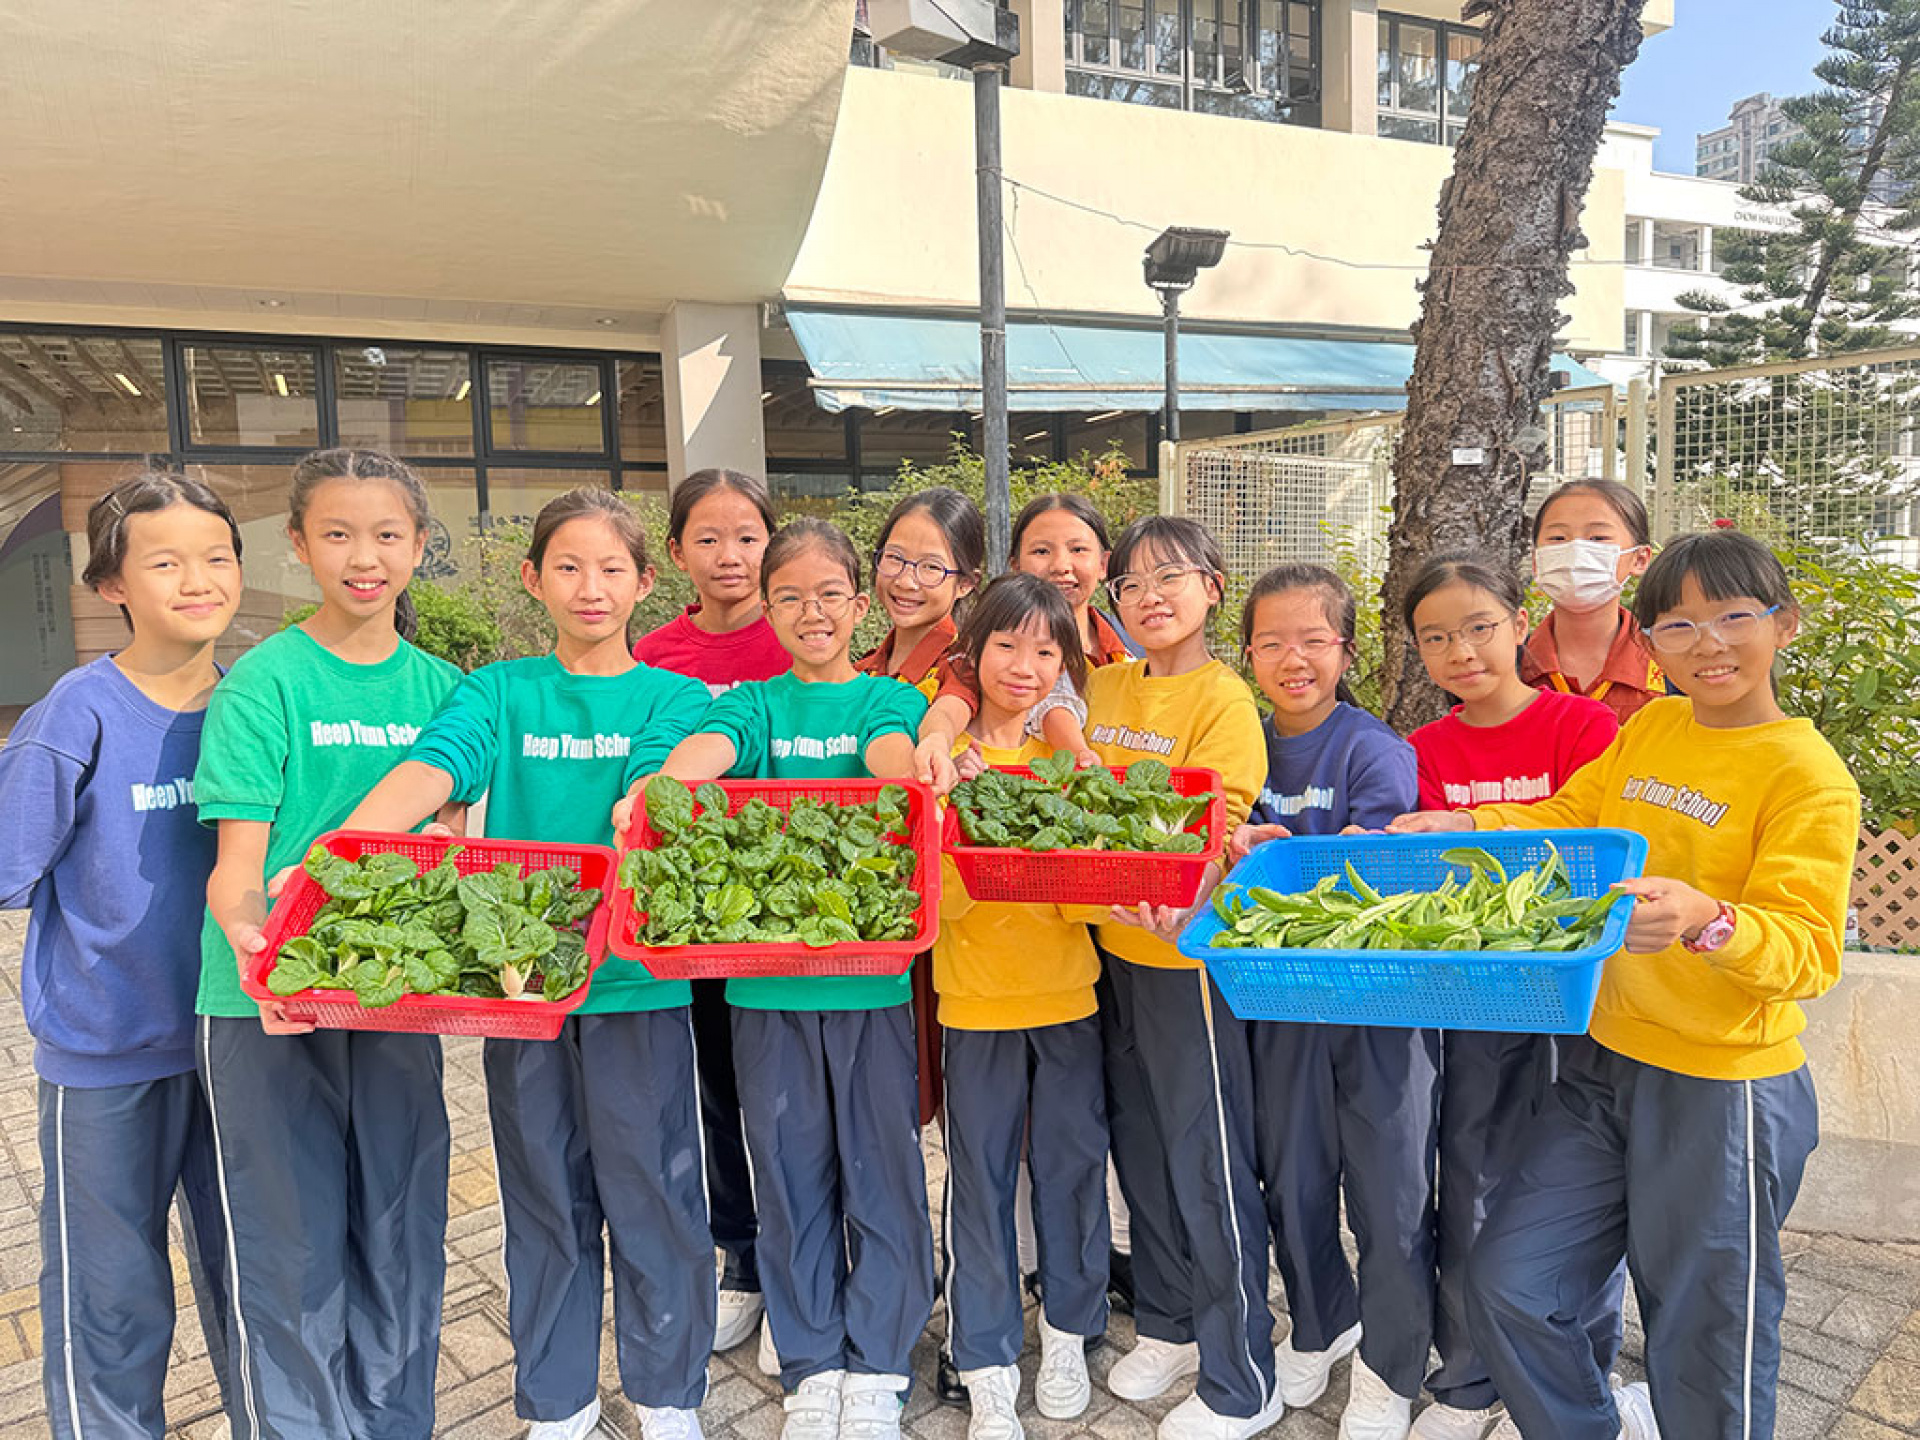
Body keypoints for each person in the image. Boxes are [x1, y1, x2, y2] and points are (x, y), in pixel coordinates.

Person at [1396, 529, 1858, 1440]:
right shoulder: (1652, 729)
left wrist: (1708, 919)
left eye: (1734, 617)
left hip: (1722, 1090)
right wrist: (1465, 824)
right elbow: (1576, 816)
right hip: (1604, 1064)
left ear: (1784, 624)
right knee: (1512, 1285)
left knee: (1705, 1339)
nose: (1707, 644)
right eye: (1677, 626)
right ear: (1649, 643)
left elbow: (1808, 952)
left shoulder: (1807, 776)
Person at [339, 488, 714, 1440]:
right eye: (568, 567)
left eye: (612, 568)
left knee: (655, 1195)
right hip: (523, 995)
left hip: (634, 986)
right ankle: (560, 1403)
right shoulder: (499, 691)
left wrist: (643, 799)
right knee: (544, 1197)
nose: (591, 587)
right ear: (532, 578)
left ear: (645, 582)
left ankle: (669, 1396)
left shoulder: (670, 696)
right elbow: (438, 764)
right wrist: (343, 851)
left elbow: (659, 772)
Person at [616, 519, 935, 1440]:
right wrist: (659, 791)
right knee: (789, 1182)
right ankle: (810, 1363)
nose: (811, 613)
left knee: (881, 1178)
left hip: (870, 986)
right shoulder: (754, 706)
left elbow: (891, 759)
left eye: (829, 595)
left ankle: (880, 1364)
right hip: (764, 991)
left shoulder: (884, 700)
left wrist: (905, 778)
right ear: (768, 607)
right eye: (789, 597)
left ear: (858, 604)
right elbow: (704, 755)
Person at [197, 449, 462, 1439]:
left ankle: (396, 1424)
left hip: (399, 998)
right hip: (266, 1000)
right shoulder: (263, 683)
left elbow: (455, 852)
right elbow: (237, 864)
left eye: (387, 535)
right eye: (339, 535)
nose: (365, 557)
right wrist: (253, 948)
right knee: (288, 1248)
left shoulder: (447, 689)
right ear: (299, 546)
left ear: (420, 546)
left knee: (401, 1231)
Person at [0, 473, 238, 1439]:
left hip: (242, 1044)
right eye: (165, 562)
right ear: (112, 585)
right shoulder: (76, 713)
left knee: (255, 1281)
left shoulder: (256, 702)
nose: (198, 579)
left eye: (217, 557)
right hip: (107, 1053)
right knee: (110, 1296)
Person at [1398, 553, 1621, 1440]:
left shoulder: (1585, 726)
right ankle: (1467, 1380)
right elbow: (1422, 879)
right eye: (1436, 638)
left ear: (1521, 622)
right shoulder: (1423, 750)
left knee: (1578, 1198)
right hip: (1474, 1006)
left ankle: (1581, 1376)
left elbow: (1600, 844)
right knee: (1472, 1188)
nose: (1461, 651)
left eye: (1479, 627)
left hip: (1575, 1000)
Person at [1227, 565, 1436, 1440]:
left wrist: (1303, 864)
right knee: (1294, 1179)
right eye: (1272, 642)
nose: (1293, 659)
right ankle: (1321, 1323)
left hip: (1378, 1008)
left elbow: (1381, 876)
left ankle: (1391, 1367)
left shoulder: (1372, 749)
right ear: (1248, 655)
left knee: (1390, 1195)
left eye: (1314, 641)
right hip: (1280, 1005)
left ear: (1347, 653)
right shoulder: (1243, 747)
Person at [1086, 516, 1279, 1440]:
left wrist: (1180, 884)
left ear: (1212, 586)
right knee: (1142, 1148)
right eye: (1130, 583)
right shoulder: (1105, 684)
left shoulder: (1223, 698)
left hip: (1183, 961)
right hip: (1105, 955)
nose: (1149, 596)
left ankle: (1244, 1371)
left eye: (1170, 576)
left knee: (1209, 1160)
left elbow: (1220, 816)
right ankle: (1167, 1321)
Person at [933, 574, 1109, 1440]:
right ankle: (987, 1360)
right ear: (973, 652)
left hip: (1069, 998)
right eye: (1006, 645)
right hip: (974, 1006)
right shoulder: (942, 762)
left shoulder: (1069, 763)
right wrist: (959, 816)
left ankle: (1069, 1332)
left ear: (1064, 666)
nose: (1024, 666)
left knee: (1073, 1173)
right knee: (981, 1184)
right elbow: (941, 904)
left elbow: (1084, 899)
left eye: (1046, 651)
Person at [632, 467, 788, 1361]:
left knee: (787, 1094)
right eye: (709, 538)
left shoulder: (799, 632)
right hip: (690, 911)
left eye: (748, 537)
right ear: (677, 551)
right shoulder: (656, 653)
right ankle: (744, 1257)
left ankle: (804, 1256)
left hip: (787, 912)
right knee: (717, 1090)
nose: (731, 556)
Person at [1522, 480, 1663, 725]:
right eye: (1558, 538)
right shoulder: (1510, 665)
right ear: (1537, 561)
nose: (1576, 550)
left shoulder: (1669, 661)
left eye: (1598, 538)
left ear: (1640, 559)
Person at [857, 486, 982, 696]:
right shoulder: (861, 671)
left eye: (931, 567)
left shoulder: (962, 676)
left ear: (965, 583)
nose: (906, 582)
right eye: (894, 557)